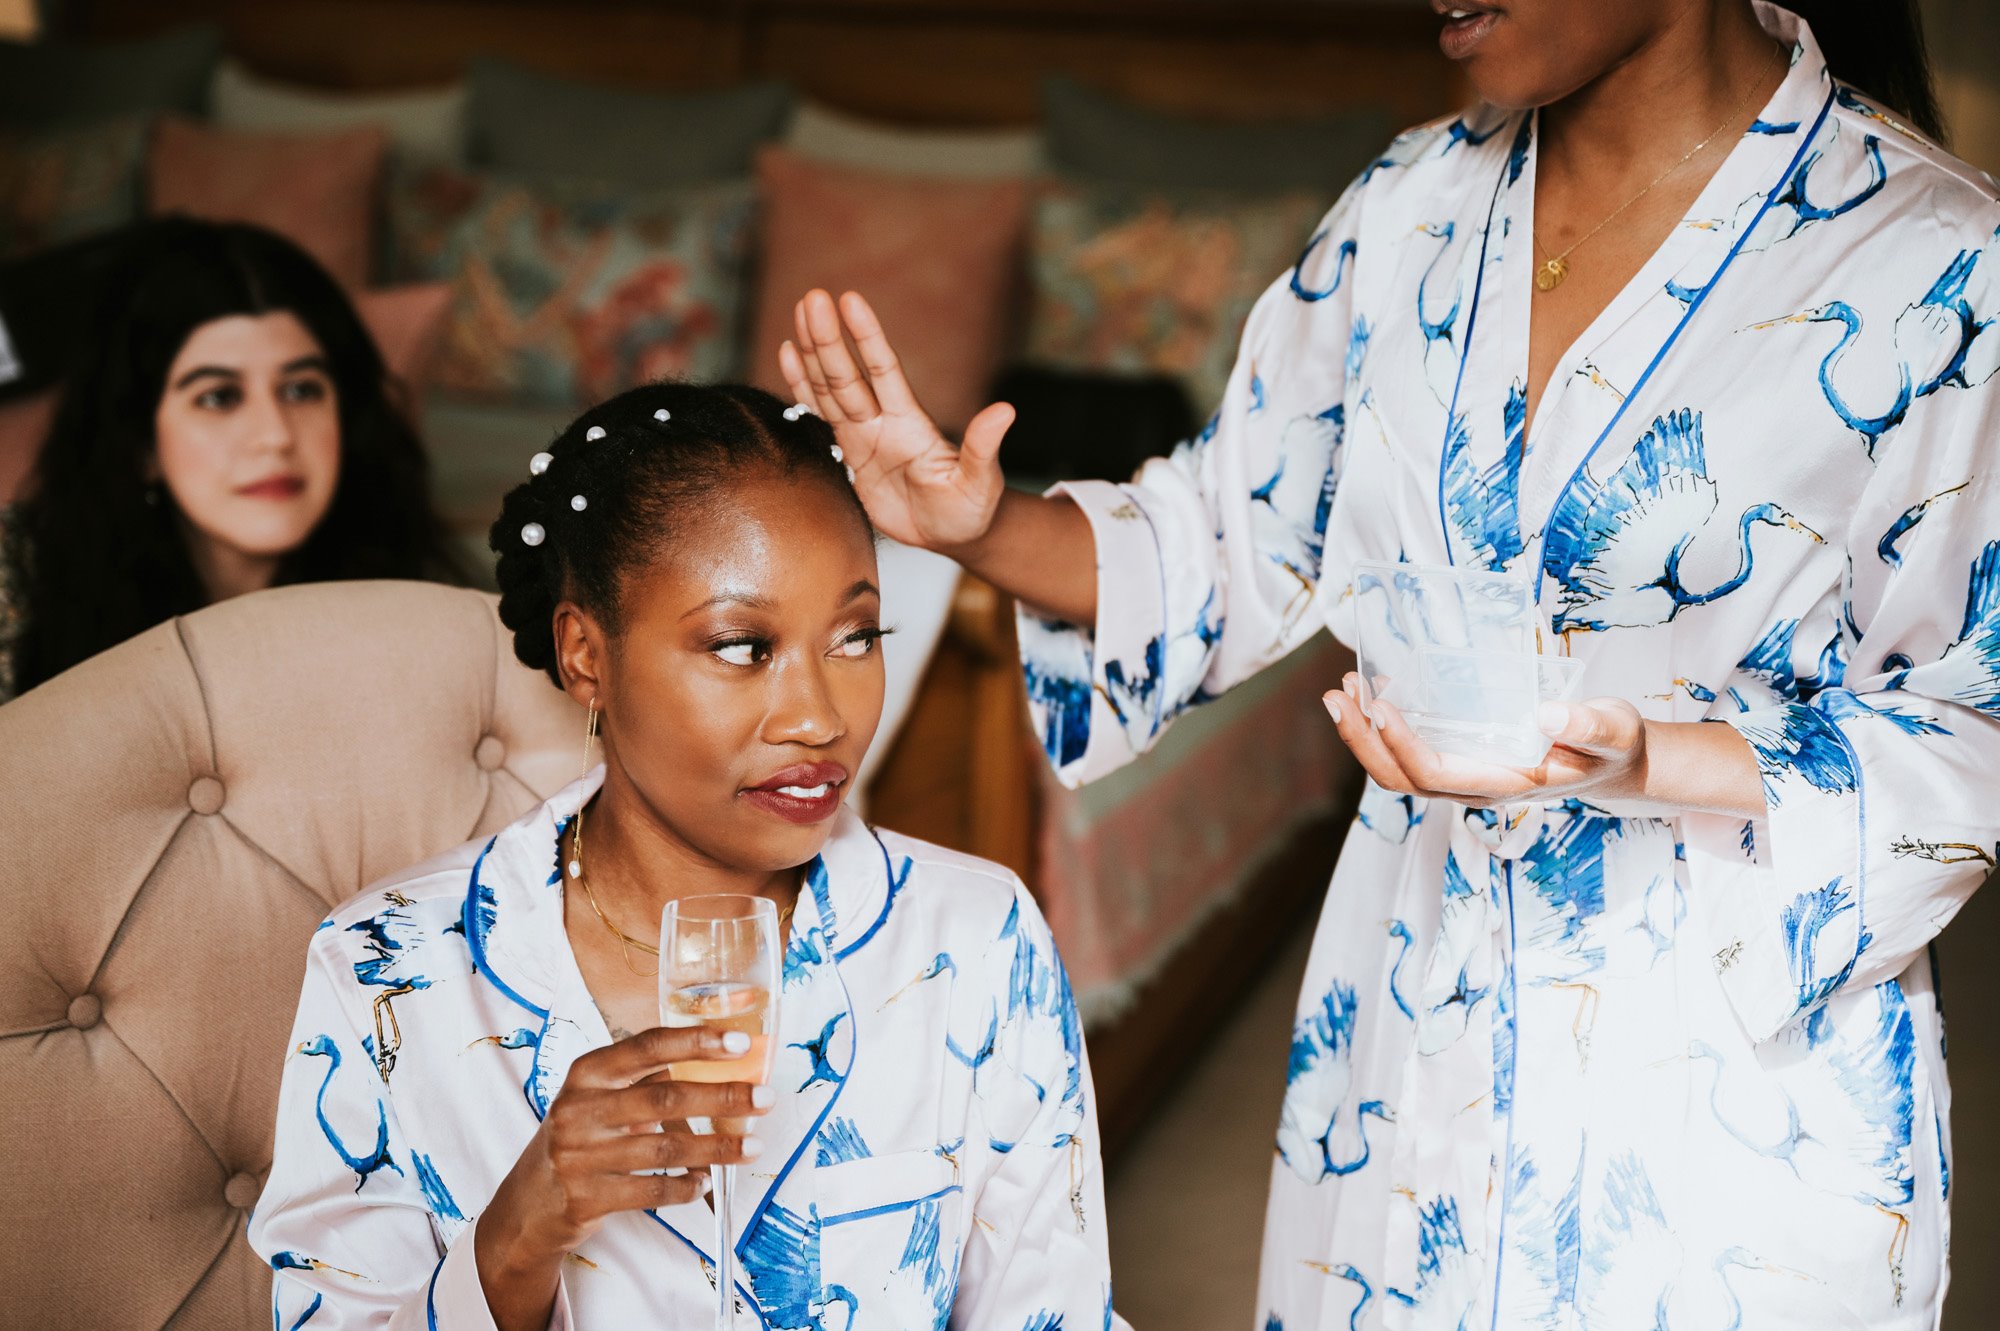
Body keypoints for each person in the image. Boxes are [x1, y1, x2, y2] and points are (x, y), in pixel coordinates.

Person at [777, 0, 2000, 1324]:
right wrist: (982, 523)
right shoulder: (1409, 206)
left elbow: (1970, 725)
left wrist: (1657, 755)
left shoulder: (1937, 264)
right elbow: (1228, 534)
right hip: (1412, 1014)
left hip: (1723, 1073)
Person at [249, 382, 1117, 1330]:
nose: (821, 716)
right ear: (585, 654)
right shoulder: (390, 967)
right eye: (744, 646)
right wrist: (517, 1236)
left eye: (857, 635)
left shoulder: (977, 939)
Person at [0, 218, 461, 702]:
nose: (275, 436)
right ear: (142, 445)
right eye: (219, 397)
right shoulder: (21, 581)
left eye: (301, 389)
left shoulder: (419, 608)